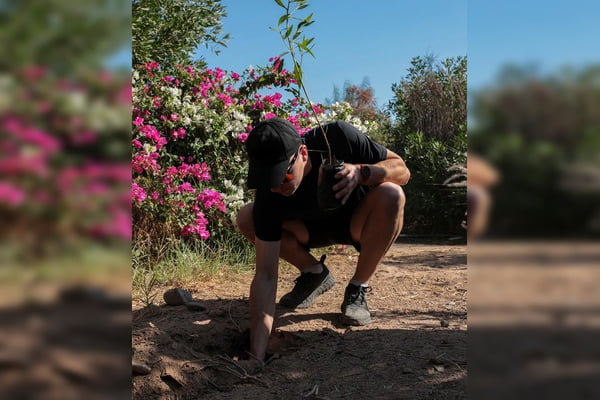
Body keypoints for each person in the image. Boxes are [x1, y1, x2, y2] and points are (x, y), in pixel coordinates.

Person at [236, 118, 410, 361]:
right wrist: (257, 354)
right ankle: (314, 273)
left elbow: (402, 170)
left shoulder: (338, 137)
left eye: (283, 176)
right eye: (268, 179)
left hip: (356, 223)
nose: (276, 186)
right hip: (308, 231)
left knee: (392, 193)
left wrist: (362, 172)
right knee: (247, 216)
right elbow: (266, 275)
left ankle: (357, 288)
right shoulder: (270, 191)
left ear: (303, 154)